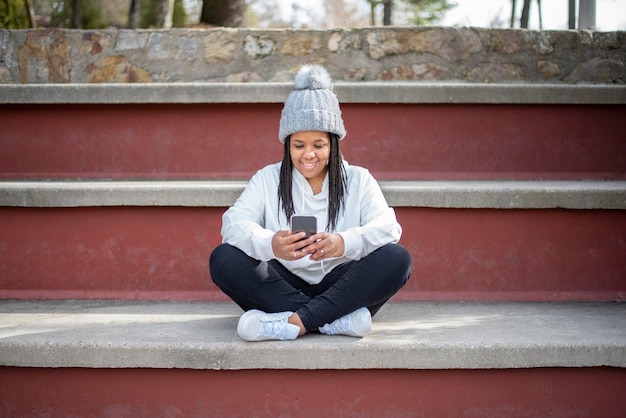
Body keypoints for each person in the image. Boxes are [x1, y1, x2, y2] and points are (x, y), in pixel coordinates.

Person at [209, 64, 412, 342]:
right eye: (298, 145)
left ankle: (293, 321)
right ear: (287, 145)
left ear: (333, 144)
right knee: (223, 259)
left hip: (342, 282)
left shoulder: (358, 178)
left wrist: (344, 242)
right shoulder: (267, 178)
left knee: (397, 258)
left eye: (318, 145)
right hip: (282, 282)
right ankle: (334, 319)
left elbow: (388, 227)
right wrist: (271, 244)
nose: (308, 155)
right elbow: (233, 224)